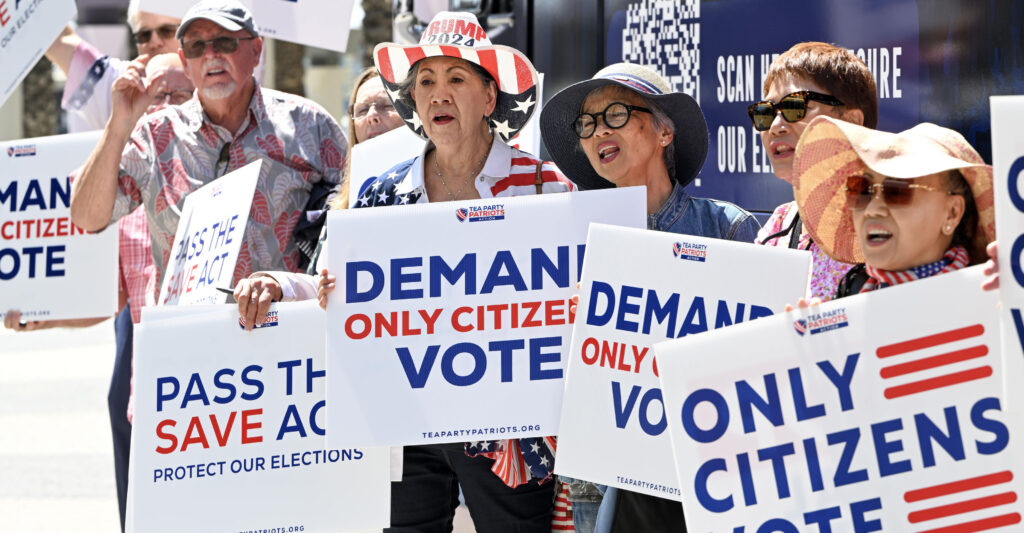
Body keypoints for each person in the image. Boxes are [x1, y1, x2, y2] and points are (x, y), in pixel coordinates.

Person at [234, 11, 572, 533]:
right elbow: (334, 282)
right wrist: (287, 285)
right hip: (405, 417)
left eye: (456, 79)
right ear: (413, 99)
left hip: (510, 428)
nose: (439, 94)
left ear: (489, 98)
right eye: (426, 82)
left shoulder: (543, 186)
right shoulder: (382, 193)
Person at [538, 62, 759, 533]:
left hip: (704, 467)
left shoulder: (728, 228)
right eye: (588, 123)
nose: (598, 130)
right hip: (601, 471)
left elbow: (758, 356)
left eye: (615, 113)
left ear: (663, 132)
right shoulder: (566, 238)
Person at [4, 52, 192, 532]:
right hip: (151, 393)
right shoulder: (124, 194)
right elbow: (115, 297)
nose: (164, 104)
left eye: (177, 93)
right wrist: (49, 314)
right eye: (156, 95)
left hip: (216, 386)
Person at [69, 0, 347, 291]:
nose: (210, 55)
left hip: (281, 325)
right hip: (188, 329)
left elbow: (356, 208)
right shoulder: (154, 134)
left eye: (224, 42)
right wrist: (118, 124)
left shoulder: (309, 125)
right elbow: (88, 218)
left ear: (256, 50)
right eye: (196, 47)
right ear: (185, 63)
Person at [791, 115, 994, 300]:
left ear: (952, 213)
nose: (872, 210)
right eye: (861, 190)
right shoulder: (851, 292)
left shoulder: (994, 301)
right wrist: (810, 338)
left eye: (897, 190)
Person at [750, 42, 878, 301]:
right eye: (766, 112)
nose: (776, 126)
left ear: (852, 121)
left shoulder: (895, 214)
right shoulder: (780, 223)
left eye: (795, 107)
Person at [45, 0, 182, 132]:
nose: (154, 42)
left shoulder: (203, 82)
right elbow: (58, 39)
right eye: (144, 35)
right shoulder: (122, 85)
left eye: (166, 31)